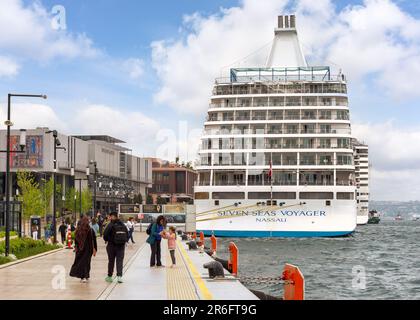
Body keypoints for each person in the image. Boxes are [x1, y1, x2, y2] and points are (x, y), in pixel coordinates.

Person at [69, 216, 97, 283]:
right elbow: (94, 240)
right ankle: (86, 276)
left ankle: (82, 277)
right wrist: (95, 248)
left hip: (79, 249)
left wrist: (76, 248)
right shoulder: (90, 230)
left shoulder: (78, 231)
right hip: (88, 250)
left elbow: (76, 241)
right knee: (87, 263)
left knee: (80, 263)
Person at [103, 212, 128, 283]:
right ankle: (119, 277)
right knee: (119, 261)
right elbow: (127, 234)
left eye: (110, 217)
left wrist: (107, 240)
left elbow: (105, 234)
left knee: (111, 261)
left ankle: (110, 276)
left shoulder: (110, 224)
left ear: (112, 217)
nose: (109, 218)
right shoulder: (122, 224)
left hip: (111, 245)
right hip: (121, 246)